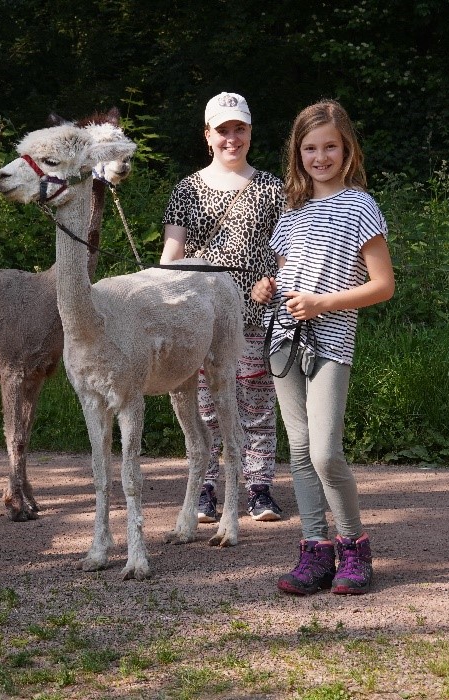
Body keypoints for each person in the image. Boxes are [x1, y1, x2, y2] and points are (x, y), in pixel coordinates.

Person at [251, 100, 395, 595]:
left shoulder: (361, 205)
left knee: (326, 452)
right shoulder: (291, 210)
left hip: (330, 342)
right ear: (298, 152)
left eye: (329, 146)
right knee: (299, 450)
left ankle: (354, 546)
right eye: (310, 148)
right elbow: (280, 270)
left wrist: (322, 303)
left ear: (346, 148)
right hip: (283, 341)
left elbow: (383, 286)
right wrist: (264, 287)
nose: (320, 156)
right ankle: (315, 550)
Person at [160, 91, 285, 524]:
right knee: (206, 407)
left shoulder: (273, 188)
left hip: (255, 316)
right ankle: (205, 488)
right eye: (223, 130)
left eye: (240, 129)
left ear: (250, 132)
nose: (232, 138)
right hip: (203, 321)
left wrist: (274, 283)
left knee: (257, 402)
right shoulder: (186, 190)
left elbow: (285, 254)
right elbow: (171, 255)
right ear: (208, 135)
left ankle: (259, 488)